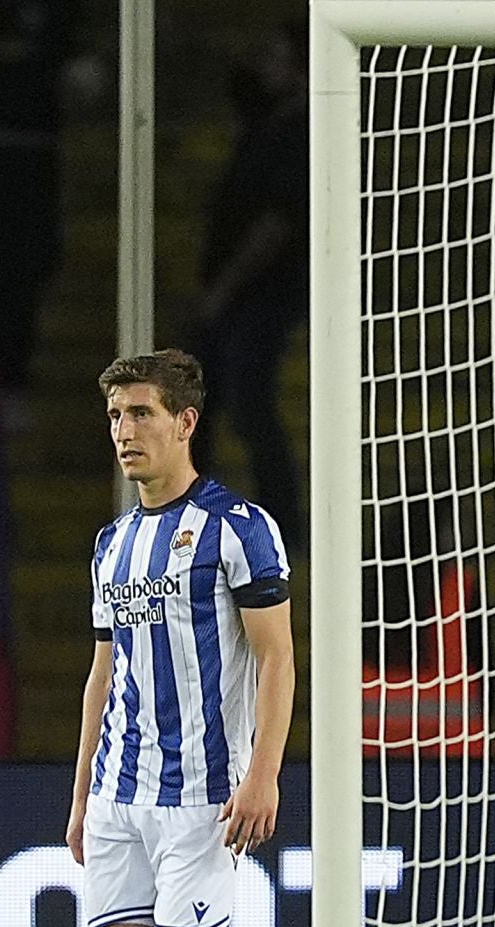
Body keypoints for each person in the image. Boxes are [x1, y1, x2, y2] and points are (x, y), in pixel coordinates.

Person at [67, 349, 332, 927]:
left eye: (140, 413)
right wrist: (79, 799)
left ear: (185, 421)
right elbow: (101, 678)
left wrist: (265, 773)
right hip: (118, 790)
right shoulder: (112, 544)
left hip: (203, 795)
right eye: (114, 417)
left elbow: (276, 657)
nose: (124, 432)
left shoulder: (237, 527)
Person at [193, 21, 308, 545]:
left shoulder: (302, 131)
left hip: (261, 294)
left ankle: (284, 526)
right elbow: (236, 71)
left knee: (247, 400)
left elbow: (277, 223)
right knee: (201, 400)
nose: (265, 65)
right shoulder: (265, 120)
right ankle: (186, 515)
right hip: (233, 291)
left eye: (276, 56)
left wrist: (225, 287)